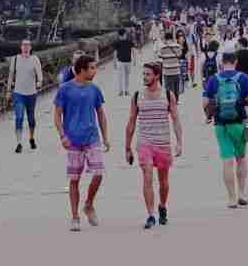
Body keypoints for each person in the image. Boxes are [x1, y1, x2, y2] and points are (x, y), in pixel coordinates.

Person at [54, 54, 111, 232]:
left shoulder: (94, 89)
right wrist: (62, 135)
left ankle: (88, 204)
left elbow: (101, 114)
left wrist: (106, 137)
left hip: (92, 138)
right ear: (82, 70)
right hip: (73, 140)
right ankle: (75, 216)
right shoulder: (64, 89)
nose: (95, 71)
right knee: (74, 179)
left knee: (99, 173)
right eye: (92, 68)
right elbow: (57, 115)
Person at [124, 62, 184, 229]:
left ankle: (162, 206)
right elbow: (130, 123)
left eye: (148, 74)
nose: (145, 77)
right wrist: (127, 147)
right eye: (143, 74)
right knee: (148, 176)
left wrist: (179, 142)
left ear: (157, 75)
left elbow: (176, 120)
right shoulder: (137, 96)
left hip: (163, 143)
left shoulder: (168, 95)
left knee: (163, 181)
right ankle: (150, 215)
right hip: (145, 143)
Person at [202, 51, 248, 208]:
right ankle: (242, 193)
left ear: (222, 63)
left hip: (221, 125)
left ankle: (231, 198)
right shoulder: (243, 78)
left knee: (227, 161)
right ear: (235, 62)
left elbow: (205, 103)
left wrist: (212, 111)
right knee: (241, 158)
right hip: (239, 123)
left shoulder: (214, 80)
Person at [10, 39, 44, 153]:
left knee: (31, 118)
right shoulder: (15, 59)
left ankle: (31, 137)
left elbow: (40, 75)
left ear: (30, 47)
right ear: (20, 47)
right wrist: (8, 90)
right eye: (24, 45)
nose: (25, 47)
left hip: (31, 93)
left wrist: (39, 82)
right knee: (19, 117)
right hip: (18, 93)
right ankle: (19, 143)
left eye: (28, 45)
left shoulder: (35, 59)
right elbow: (11, 76)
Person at [157, 32, 183, 98]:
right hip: (176, 71)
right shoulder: (177, 46)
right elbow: (180, 54)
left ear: (165, 38)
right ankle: (176, 102)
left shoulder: (162, 47)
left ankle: (170, 104)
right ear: (172, 38)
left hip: (167, 72)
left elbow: (159, 55)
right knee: (176, 90)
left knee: (168, 90)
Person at [114, 28, 135, 97]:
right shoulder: (118, 42)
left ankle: (124, 91)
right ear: (123, 34)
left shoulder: (127, 41)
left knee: (123, 76)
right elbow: (133, 50)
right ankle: (123, 90)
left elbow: (115, 53)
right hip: (125, 61)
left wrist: (114, 62)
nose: (126, 35)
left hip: (121, 61)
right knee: (124, 76)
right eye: (125, 34)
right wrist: (134, 60)